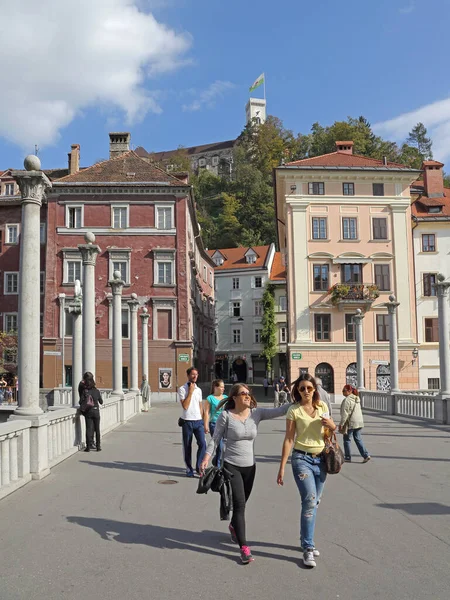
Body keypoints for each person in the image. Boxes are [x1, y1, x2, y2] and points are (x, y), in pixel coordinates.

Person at [200, 384, 290, 564]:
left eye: (249, 393)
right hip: (231, 466)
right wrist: (206, 457)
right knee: (240, 505)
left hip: (251, 467)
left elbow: (280, 410)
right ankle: (244, 548)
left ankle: (234, 526)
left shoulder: (256, 413)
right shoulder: (226, 416)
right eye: (243, 394)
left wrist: (298, 398)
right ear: (234, 397)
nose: (248, 396)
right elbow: (215, 438)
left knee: (242, 503)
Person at [277, 374, 336, 568]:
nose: (306, 392)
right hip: (301, 459)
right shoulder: (294, 410)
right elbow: (288, 439)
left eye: (309, 388)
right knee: (310, 500)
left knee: (315, 502)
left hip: (321, 459)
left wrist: (332, 427)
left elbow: (328, 435)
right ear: (297, 391)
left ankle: (305, 539)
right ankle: (308, 548)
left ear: (314, 390)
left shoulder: (322, 408)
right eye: (302, 389)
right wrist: (282, 468)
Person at [178, 367, 206, 477]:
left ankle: (199, 466)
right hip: (187, 421)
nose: (195, 376)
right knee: (187, 446)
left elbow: (200, 406)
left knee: (203, 444)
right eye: (193, 374)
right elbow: (185, 406)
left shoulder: (199, 390)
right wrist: (190, 391)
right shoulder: (182, 389)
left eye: (196, 374)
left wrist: (204, 422)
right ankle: (188, 468)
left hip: (198, 421)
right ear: (188, 375)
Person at [339, 385, 371, 463]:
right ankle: (366, 455)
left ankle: (347, 456)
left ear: (349, 391)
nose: (342, 392)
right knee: (358, 439)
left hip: (351, 423)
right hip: (359, 422)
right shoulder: (357, 399)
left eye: (344, 390)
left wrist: (341, 424)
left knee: (347, 440)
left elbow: (345, 414)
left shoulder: (347, 400)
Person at [203, 379, 227, 467]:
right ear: (215, 387)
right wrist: (205, 425)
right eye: (221, 387)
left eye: (223, 387)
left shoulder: (225, 398)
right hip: (214, 424)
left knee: (224, 447)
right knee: (219, 446)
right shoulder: (210, 398)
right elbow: (206, 413)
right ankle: (218, 467)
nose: (223, 389)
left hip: (225, 424)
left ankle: (216, 459)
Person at [78, 372, 103, 452]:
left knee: (88, 429)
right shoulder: (97, 391)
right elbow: (101, 402)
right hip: (96, 411)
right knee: (97, 429)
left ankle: (88, 447)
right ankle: (98, 447)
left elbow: (80, 401)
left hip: (88, 412)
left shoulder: (85, 391)